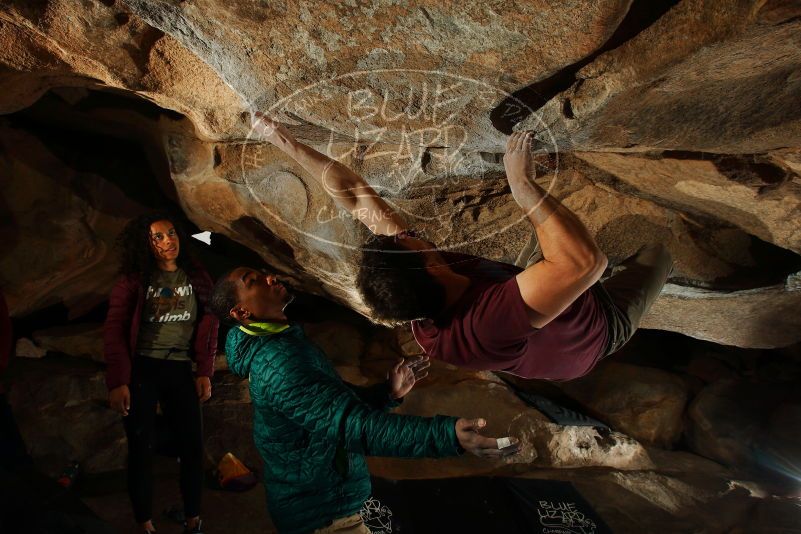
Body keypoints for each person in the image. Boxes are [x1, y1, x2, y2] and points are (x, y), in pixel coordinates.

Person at [250, 115, 673, 381]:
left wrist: (281, 141)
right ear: (431, 265)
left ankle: (550, 271)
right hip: (595, 331)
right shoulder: (480, 327)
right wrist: (522, 186)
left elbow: (358, 198)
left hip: (529, 299)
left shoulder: (418, 296)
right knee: (658, 253)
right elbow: (587, 264)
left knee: (546, 252)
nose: (405, 232)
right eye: (408, 243)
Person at [209, 267, 521, 534]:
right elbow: (352, 426)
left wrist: (387, 394)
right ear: (241, 313)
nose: (269, 277)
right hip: (321, 515)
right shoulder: (279, 362)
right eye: (253, 281)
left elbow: (331, 406)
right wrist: (447, 436)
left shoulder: (281, 342)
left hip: (325, 504)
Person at [104, 213, 219, 534]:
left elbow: (209, 324)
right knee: (140, 449)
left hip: (179, 368)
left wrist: (204, 371)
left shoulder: (196, 276)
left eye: (171, 234)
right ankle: (146, 524)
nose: (168, 241)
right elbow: (114, 329)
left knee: (192, 447)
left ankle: (194, 520)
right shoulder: (134, 281)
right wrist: (119, 381)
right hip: (142, 368)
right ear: (145, 244)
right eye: (157, 237)